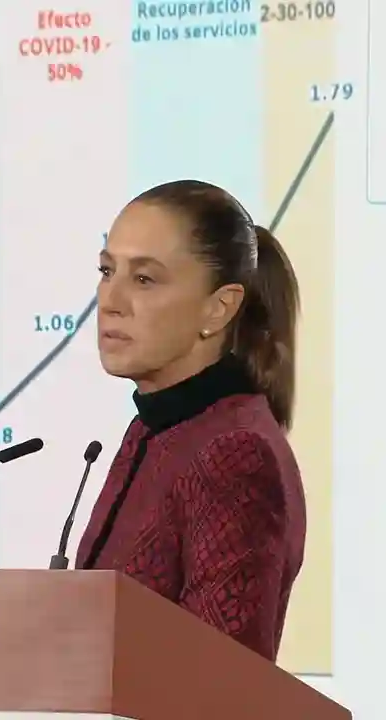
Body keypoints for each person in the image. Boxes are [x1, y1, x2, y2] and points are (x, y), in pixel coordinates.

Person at [74, 179, 305, 663]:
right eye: (107, 270)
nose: (110, 300)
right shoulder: (152, 428)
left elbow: (219, 680)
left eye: (144, 279)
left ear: (219, 308)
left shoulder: (235, 454)